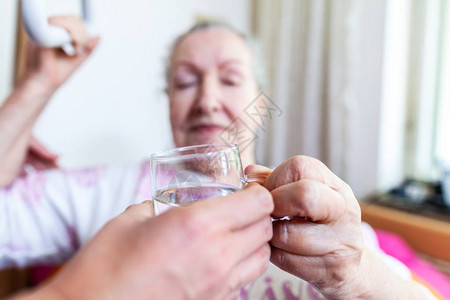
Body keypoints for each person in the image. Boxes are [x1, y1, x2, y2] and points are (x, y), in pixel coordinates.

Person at [0, 16, 439, 300]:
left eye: (229, 79)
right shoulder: (102, 192)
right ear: (168, 100)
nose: (207, 101)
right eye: (186, 82)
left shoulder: (314, 217)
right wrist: (36, 85)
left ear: (259, 103)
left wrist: (358, 275)